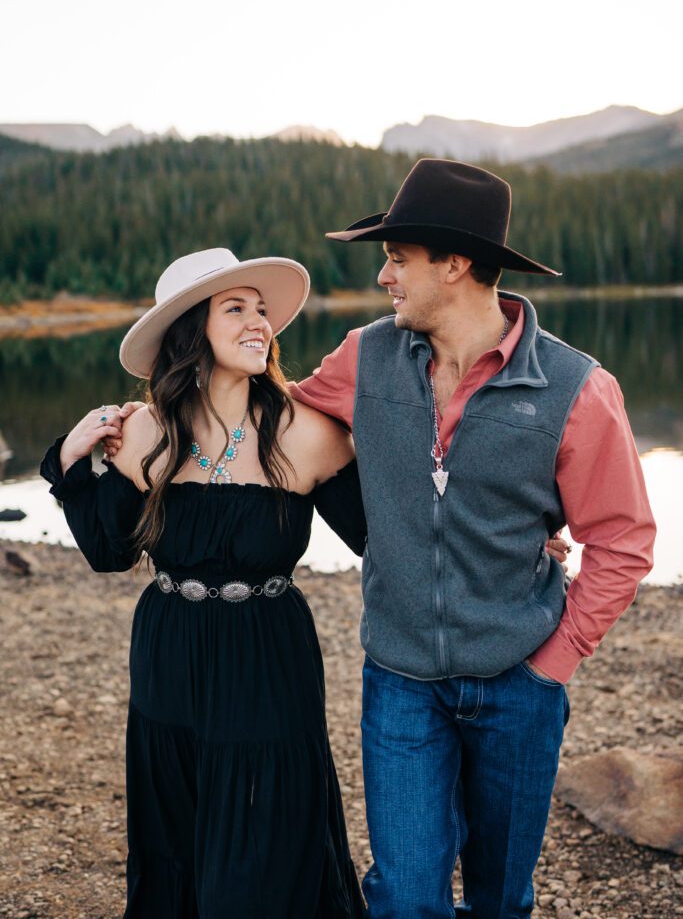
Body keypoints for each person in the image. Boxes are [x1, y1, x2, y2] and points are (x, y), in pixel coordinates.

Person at [286, 159, 657, 919]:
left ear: (452, 265)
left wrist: (551, 665)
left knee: (499, 899)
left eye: (396, 259)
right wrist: (151, 417)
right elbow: (274, 421)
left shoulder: (576, 389)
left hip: (518, 685)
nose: (384, 277)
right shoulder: (364, 357)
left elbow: (621, 542)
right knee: (407, 899)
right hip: (399, 681)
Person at [40, 247, 368, 919]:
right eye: (235, 308)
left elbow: (384, 541)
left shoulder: (307, 432)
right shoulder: (143, 431)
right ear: (191, 330)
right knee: (175, 821)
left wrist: (503, 537)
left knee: (269, 818)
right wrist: (69, 462)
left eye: (262, 310)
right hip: (170, 645)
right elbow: (109, 553)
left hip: (269, 650)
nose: (260, 324)